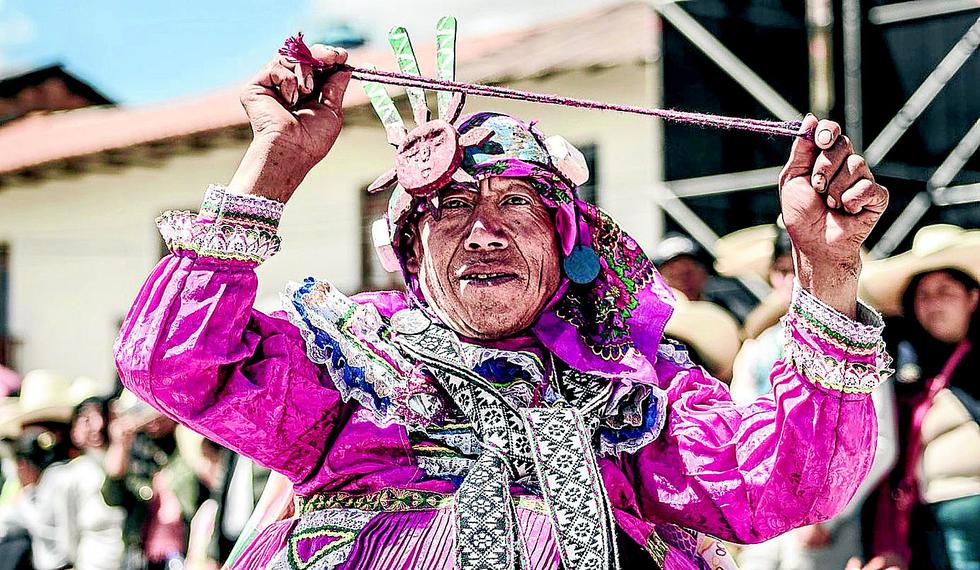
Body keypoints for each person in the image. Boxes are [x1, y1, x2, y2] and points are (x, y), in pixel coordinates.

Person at [113, 33, 892, 570]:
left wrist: (828, 271)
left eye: (518, 204)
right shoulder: (351, 361)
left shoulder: (635, 390)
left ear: (567, 245)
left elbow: (790, 481)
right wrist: (272, 165)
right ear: (412, 252)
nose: (484, 231)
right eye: (450, 208)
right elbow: (175, 363)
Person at [730, 230, 898, 570]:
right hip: (762, 518)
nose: (792, 280)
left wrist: (828, 514)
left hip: (827, 520)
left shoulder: (854, 345)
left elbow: (879, 441)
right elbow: (740, 434)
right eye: (782, 270)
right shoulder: (755, 350)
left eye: (800, 268)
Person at [857, 225, 980, 570]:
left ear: (973, 297)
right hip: (930, 517)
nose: (934, 304)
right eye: (923, 296)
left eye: (945, 291)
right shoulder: (900, 365)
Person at [103, 391, 201, 570]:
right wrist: (120, 444)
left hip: (187, 549)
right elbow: (113, 497)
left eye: (157, 410)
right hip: (142, 555)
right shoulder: (135, 452)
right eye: (141, 412)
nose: (152, 420)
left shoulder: (188, 442)